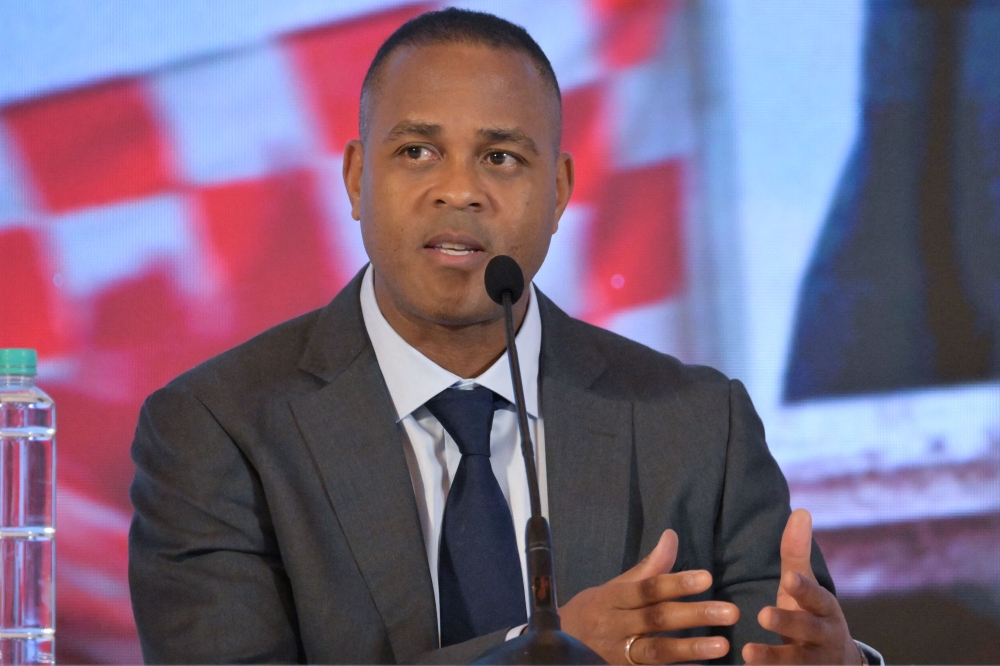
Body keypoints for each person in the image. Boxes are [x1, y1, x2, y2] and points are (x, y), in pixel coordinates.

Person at [129, 8, 879, 665]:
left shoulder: (696, 423)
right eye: (417, 151)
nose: (459, 189)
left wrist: (839, 665)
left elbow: (782, 646)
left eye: (501, 157)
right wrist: (542, 657)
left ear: (558, 192)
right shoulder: (217, 429)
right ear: (356, 179)